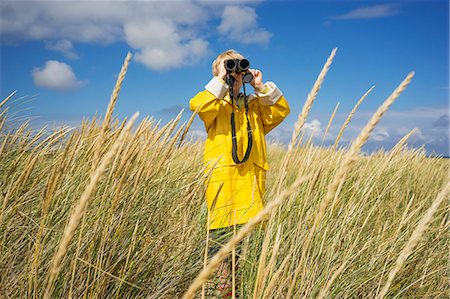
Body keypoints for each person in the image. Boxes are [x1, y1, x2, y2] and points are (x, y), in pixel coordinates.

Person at [189, 49, 290, 297]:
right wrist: (221, 79)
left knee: (248, 260)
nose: (235, 71)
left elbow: (280, 111)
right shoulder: (214, 106)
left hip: (253, 195)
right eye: (229, 67)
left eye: (238, 66)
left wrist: (259, 85)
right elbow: (198, 105)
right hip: (224, 194)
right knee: (222, 262)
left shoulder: (254, 107)